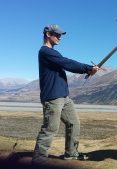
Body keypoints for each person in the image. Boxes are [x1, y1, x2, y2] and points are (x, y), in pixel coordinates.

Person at [32, 24, 99, 162]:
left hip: (64, 96)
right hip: (52, 97)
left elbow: (65, 63)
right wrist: (88, 68)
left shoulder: (53, 53)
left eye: (60, 35)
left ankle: (71, 153)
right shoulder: (45, 52)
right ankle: (38, 159)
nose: (59, 37)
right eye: (57, 34)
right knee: (50, 128)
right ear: (47, 34)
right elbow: (67, 63)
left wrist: (88, 69)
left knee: (74, 123)